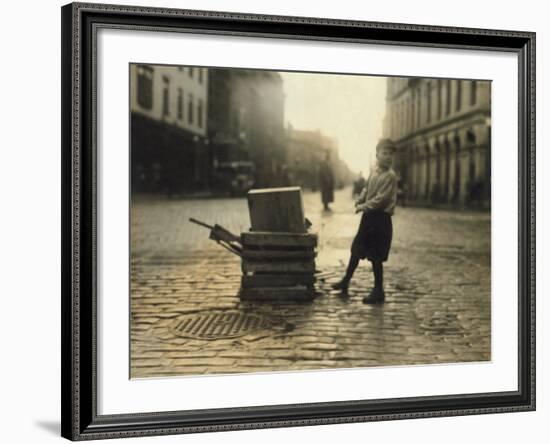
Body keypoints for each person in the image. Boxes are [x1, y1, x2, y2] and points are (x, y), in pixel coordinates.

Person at [331, 139, 398, 304]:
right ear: (377, 155)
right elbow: (367, 189)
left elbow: (381, 199)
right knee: (357, 248)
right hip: (369, 218)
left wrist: (364, 206)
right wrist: (360, 198)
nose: (388, 157)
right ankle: (346, 280)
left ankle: (378, 290)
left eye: (390, 154)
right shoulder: (374, 172)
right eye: (384, 153)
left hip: (381, 219)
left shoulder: (390, 176)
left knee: (376, 256)